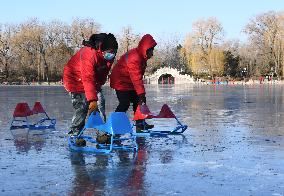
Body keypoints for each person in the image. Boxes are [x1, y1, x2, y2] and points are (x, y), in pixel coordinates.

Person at [63, 33, 118, 146]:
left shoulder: (109, 56)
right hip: (74, 80)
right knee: (82, 108)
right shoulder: (89, 54)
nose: (111, 54)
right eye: (109, 52)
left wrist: (98, 87)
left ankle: (102, 134)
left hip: (92, 82)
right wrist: (92, 100)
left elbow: (103, 73)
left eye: (114, 52)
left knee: (100, 104)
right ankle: (75, 134)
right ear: (101, 49)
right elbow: (87, 78)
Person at [110, 34, 157, 132]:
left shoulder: (142, 57)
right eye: (151, 50)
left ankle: (140, 124)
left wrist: (141, 96)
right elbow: (136, 78)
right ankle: (113, 126)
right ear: (146, 49)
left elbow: (137, 77)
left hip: (129, 82)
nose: (152, 54)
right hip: (121, 81)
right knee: (124, 103)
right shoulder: (135, 58)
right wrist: (141, 94)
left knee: (138, 101)